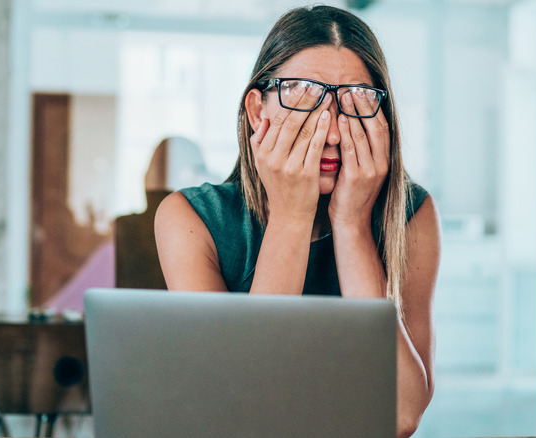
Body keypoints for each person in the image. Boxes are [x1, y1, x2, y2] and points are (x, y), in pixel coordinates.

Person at [154, 5, 441, 437]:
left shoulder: (413, 215)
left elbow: (400, 416)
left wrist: (351, 225)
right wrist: (291, 214)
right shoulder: (191, 219)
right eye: (303, 95)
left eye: (356, 101)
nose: (330, 132)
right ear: (257, 111)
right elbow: (240, 408)